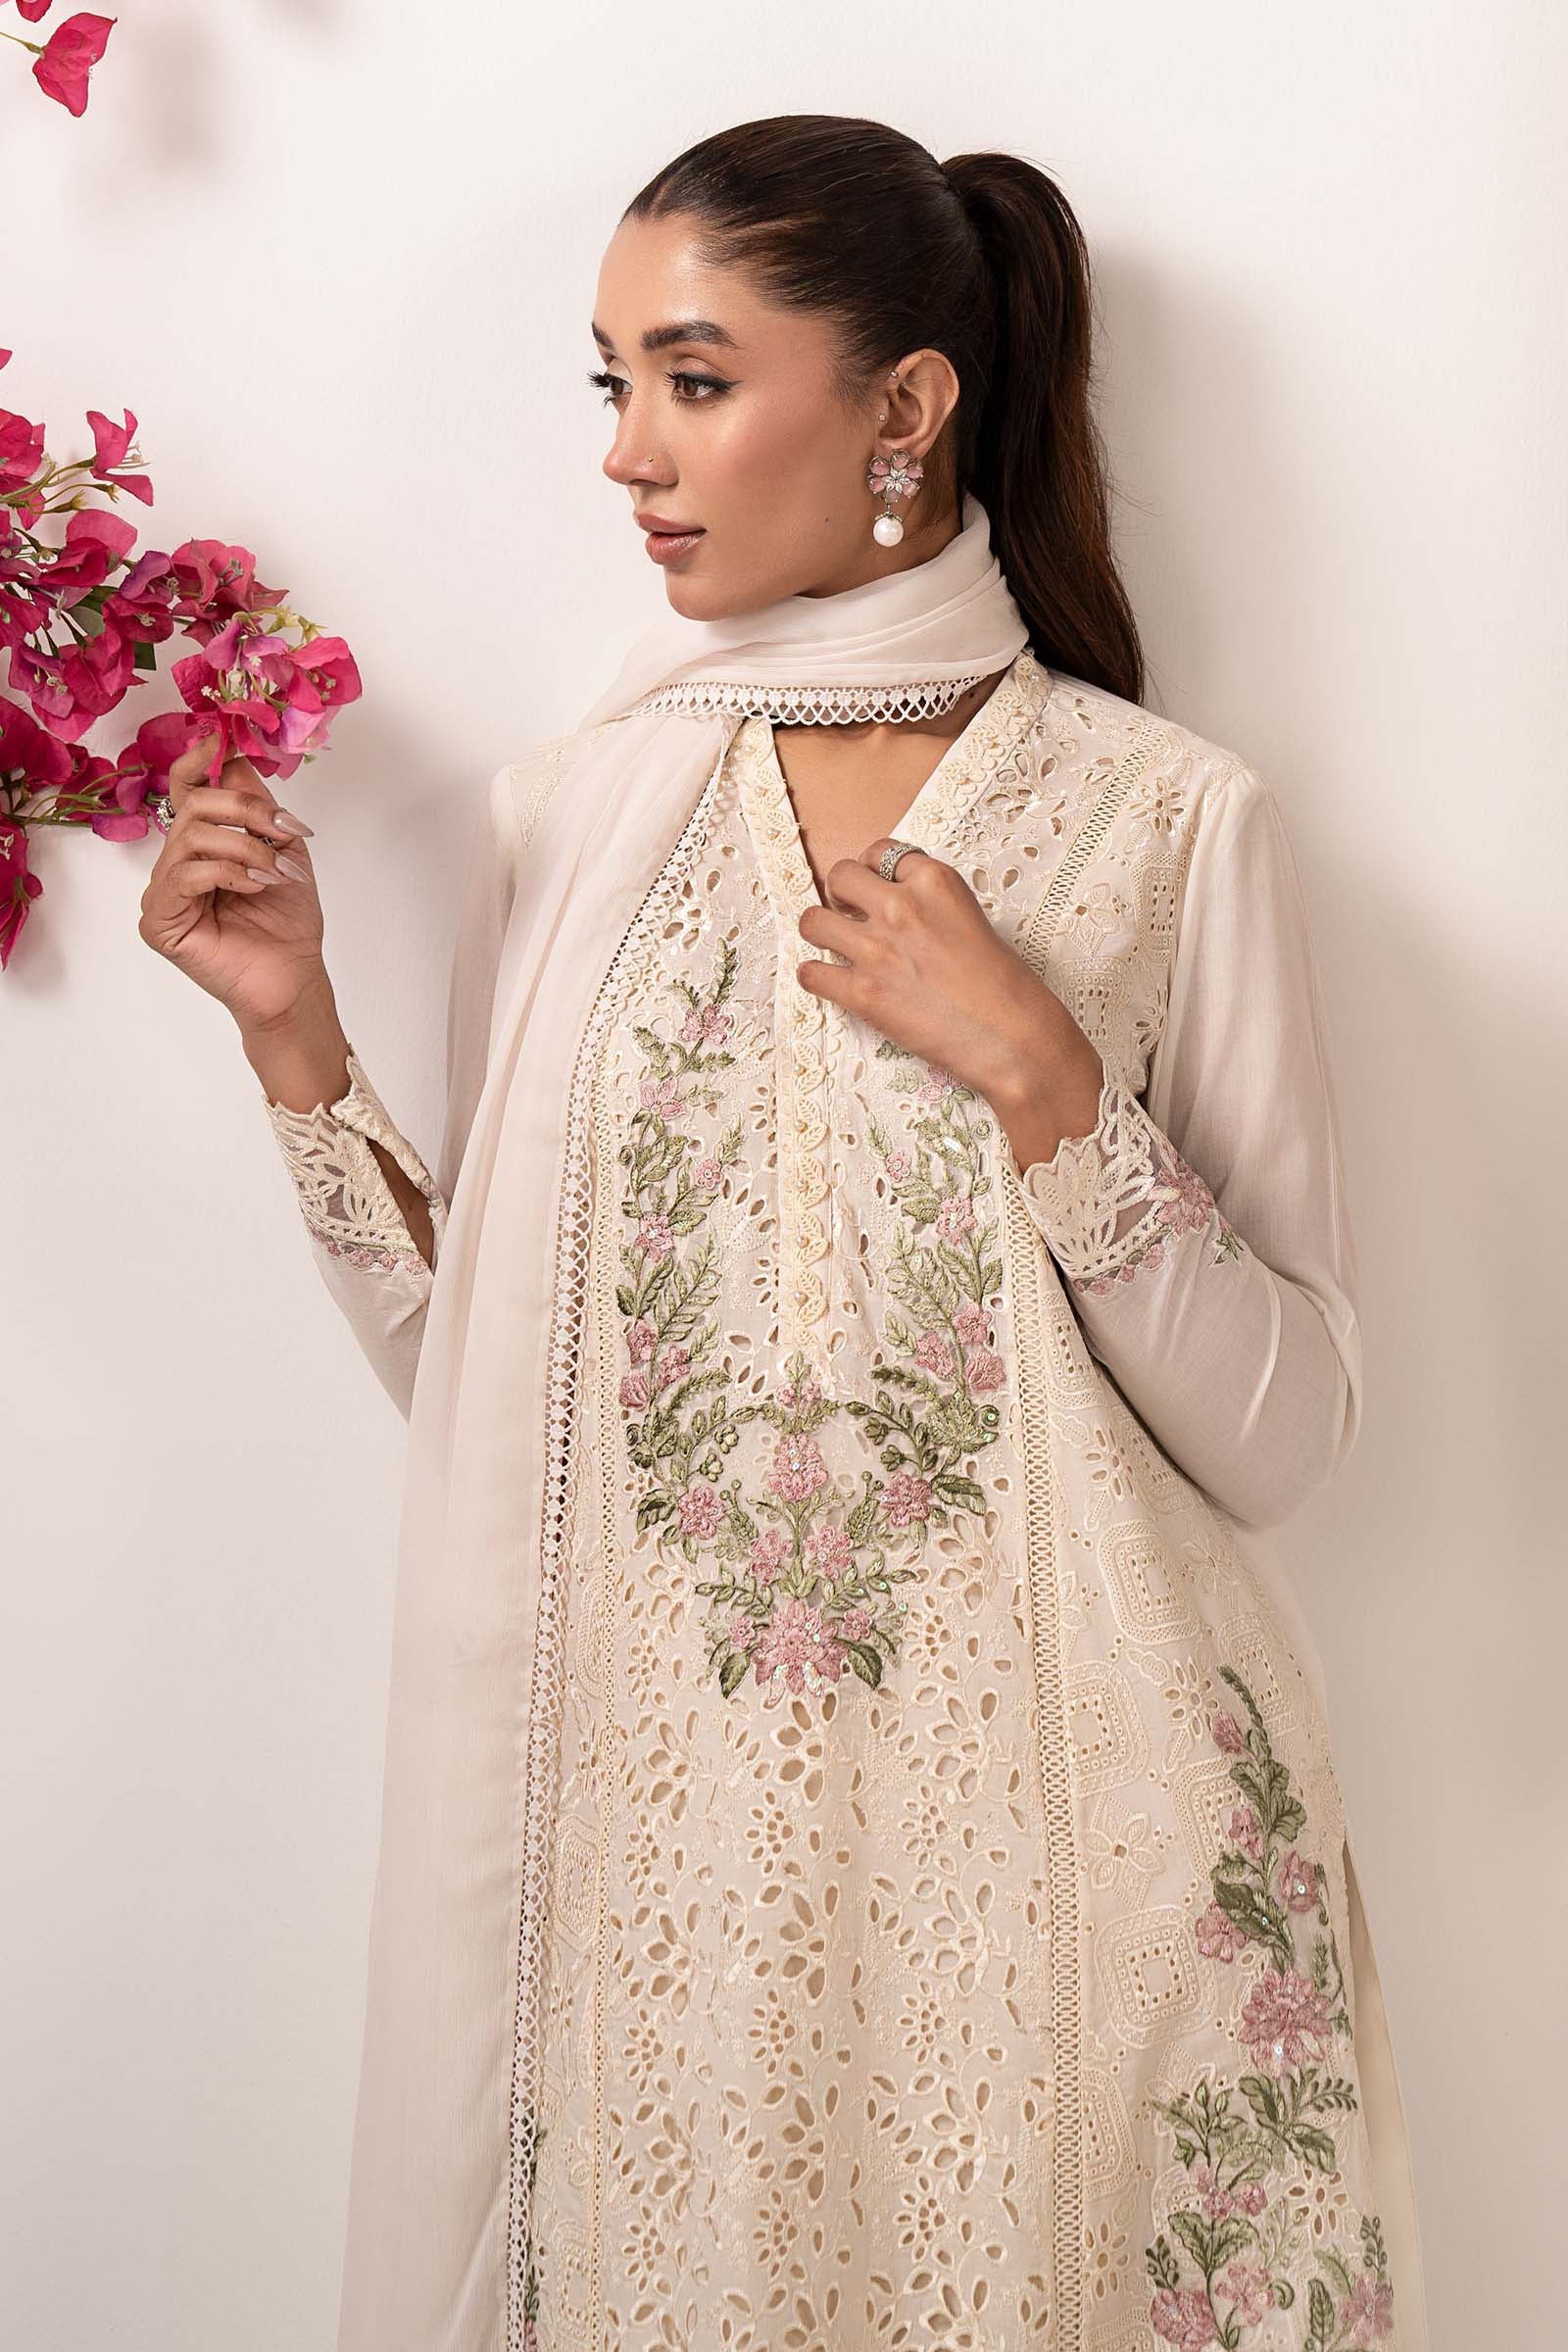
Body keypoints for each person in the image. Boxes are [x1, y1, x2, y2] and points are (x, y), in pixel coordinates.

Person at [138, 114, 1427, 2352]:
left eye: (697, 378)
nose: (628, 453)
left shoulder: (1163, 819)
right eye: (611, 382)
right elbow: (499, 1402)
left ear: (904, 407)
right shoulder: (571, 823)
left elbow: (1289, 1432)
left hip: (1088, 1884)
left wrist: (1045, 1080)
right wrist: (297, 1043)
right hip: (685, 1915)